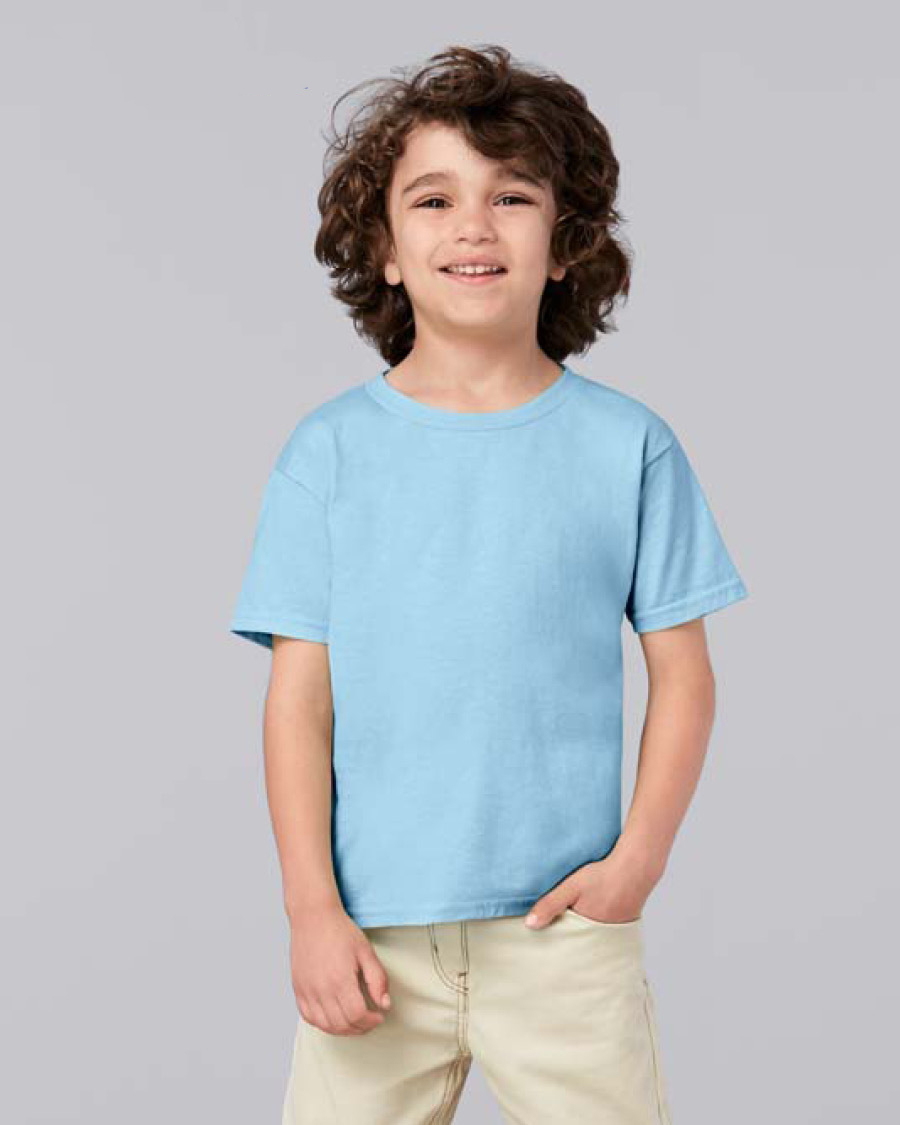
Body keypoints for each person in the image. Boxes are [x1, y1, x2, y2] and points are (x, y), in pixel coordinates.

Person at [229, 43, 748, 1124]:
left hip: (564, 937)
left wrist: (636, 867)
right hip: (372, 937)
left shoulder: (628, 446)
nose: (474, 226)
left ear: (565, 243)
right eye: (434, 200)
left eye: (511, 196)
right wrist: (310, 912)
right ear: (384, 250)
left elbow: (685, 678)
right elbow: (299, 702)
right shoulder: (326, 454)